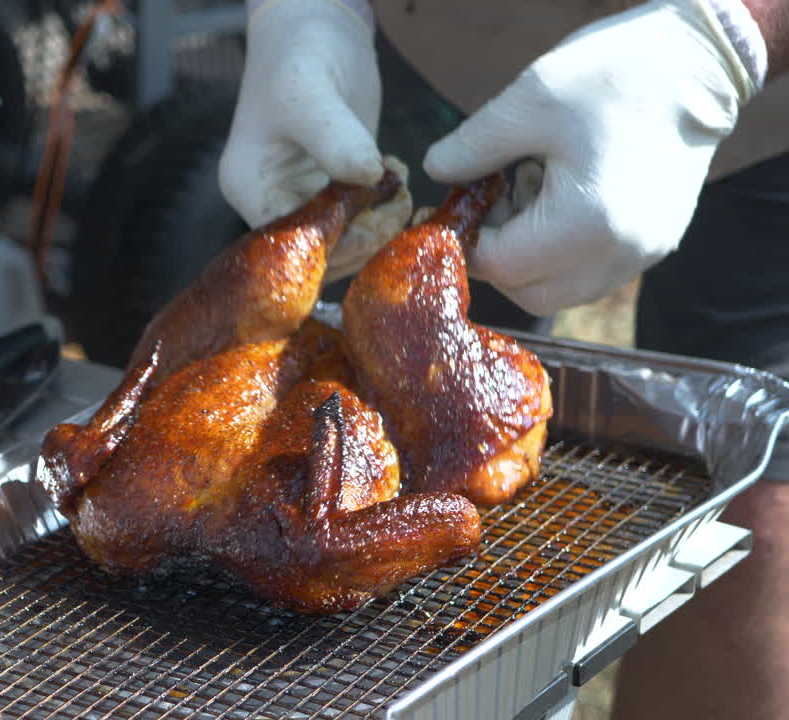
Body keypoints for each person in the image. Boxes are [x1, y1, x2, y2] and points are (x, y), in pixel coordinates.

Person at [218, 1, 789, 718]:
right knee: (369, 395)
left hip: (765, 110)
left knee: (757, 507)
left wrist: (729, 41)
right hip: (443, 44)